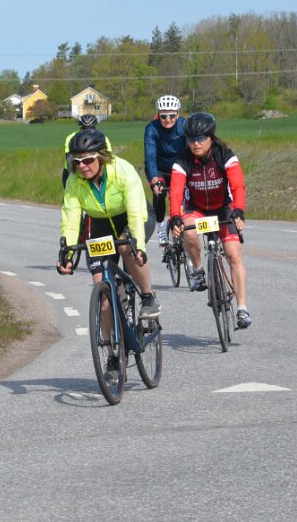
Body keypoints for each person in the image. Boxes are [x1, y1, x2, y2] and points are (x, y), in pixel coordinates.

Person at [55, 128, 159, 342]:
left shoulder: (123, 170)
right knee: (102, 294)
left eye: (87, 160)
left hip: (133, 215)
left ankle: (148, 296)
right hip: (100, 224)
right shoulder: (74, 180)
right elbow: (71, 219)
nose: (82, 166)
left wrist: (139, 246)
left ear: (101, 157)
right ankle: (112, 353)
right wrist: (67, 254)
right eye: (77, 161)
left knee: (126, 247)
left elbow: (135, 213)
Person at [167, 112, 251, 328]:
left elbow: (237, 185)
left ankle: (242, 309)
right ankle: (198, 270)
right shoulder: (183, 160)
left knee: (233, 255)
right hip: (197, 209)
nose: (196, 143)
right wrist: (175, 215)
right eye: (191, 139)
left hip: (223, 209)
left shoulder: (225, 155)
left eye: (201, 138)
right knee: (188, 231)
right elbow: (175, 192)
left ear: (211, 138)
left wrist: (238, 210)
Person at [144, 95, 187, 242]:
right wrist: (154, 179)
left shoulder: (184, 126)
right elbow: (150, 156)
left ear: (178, 114)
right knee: (159, 194)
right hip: (159, 169)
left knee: (184, 195)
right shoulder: (151, 128)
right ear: (158, 115)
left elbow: (191, 152)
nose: (168, 119)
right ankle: (161, 228)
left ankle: (183, 222)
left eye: (172, 115)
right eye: (163, 116)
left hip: (179, 168)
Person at [61, 114, 114, 187]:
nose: (87, 131)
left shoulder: (102, 138)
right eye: (84, 129)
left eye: (91, 129)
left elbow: (108, 160)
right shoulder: (71, 138)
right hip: (73, 172)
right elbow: (69, 160)